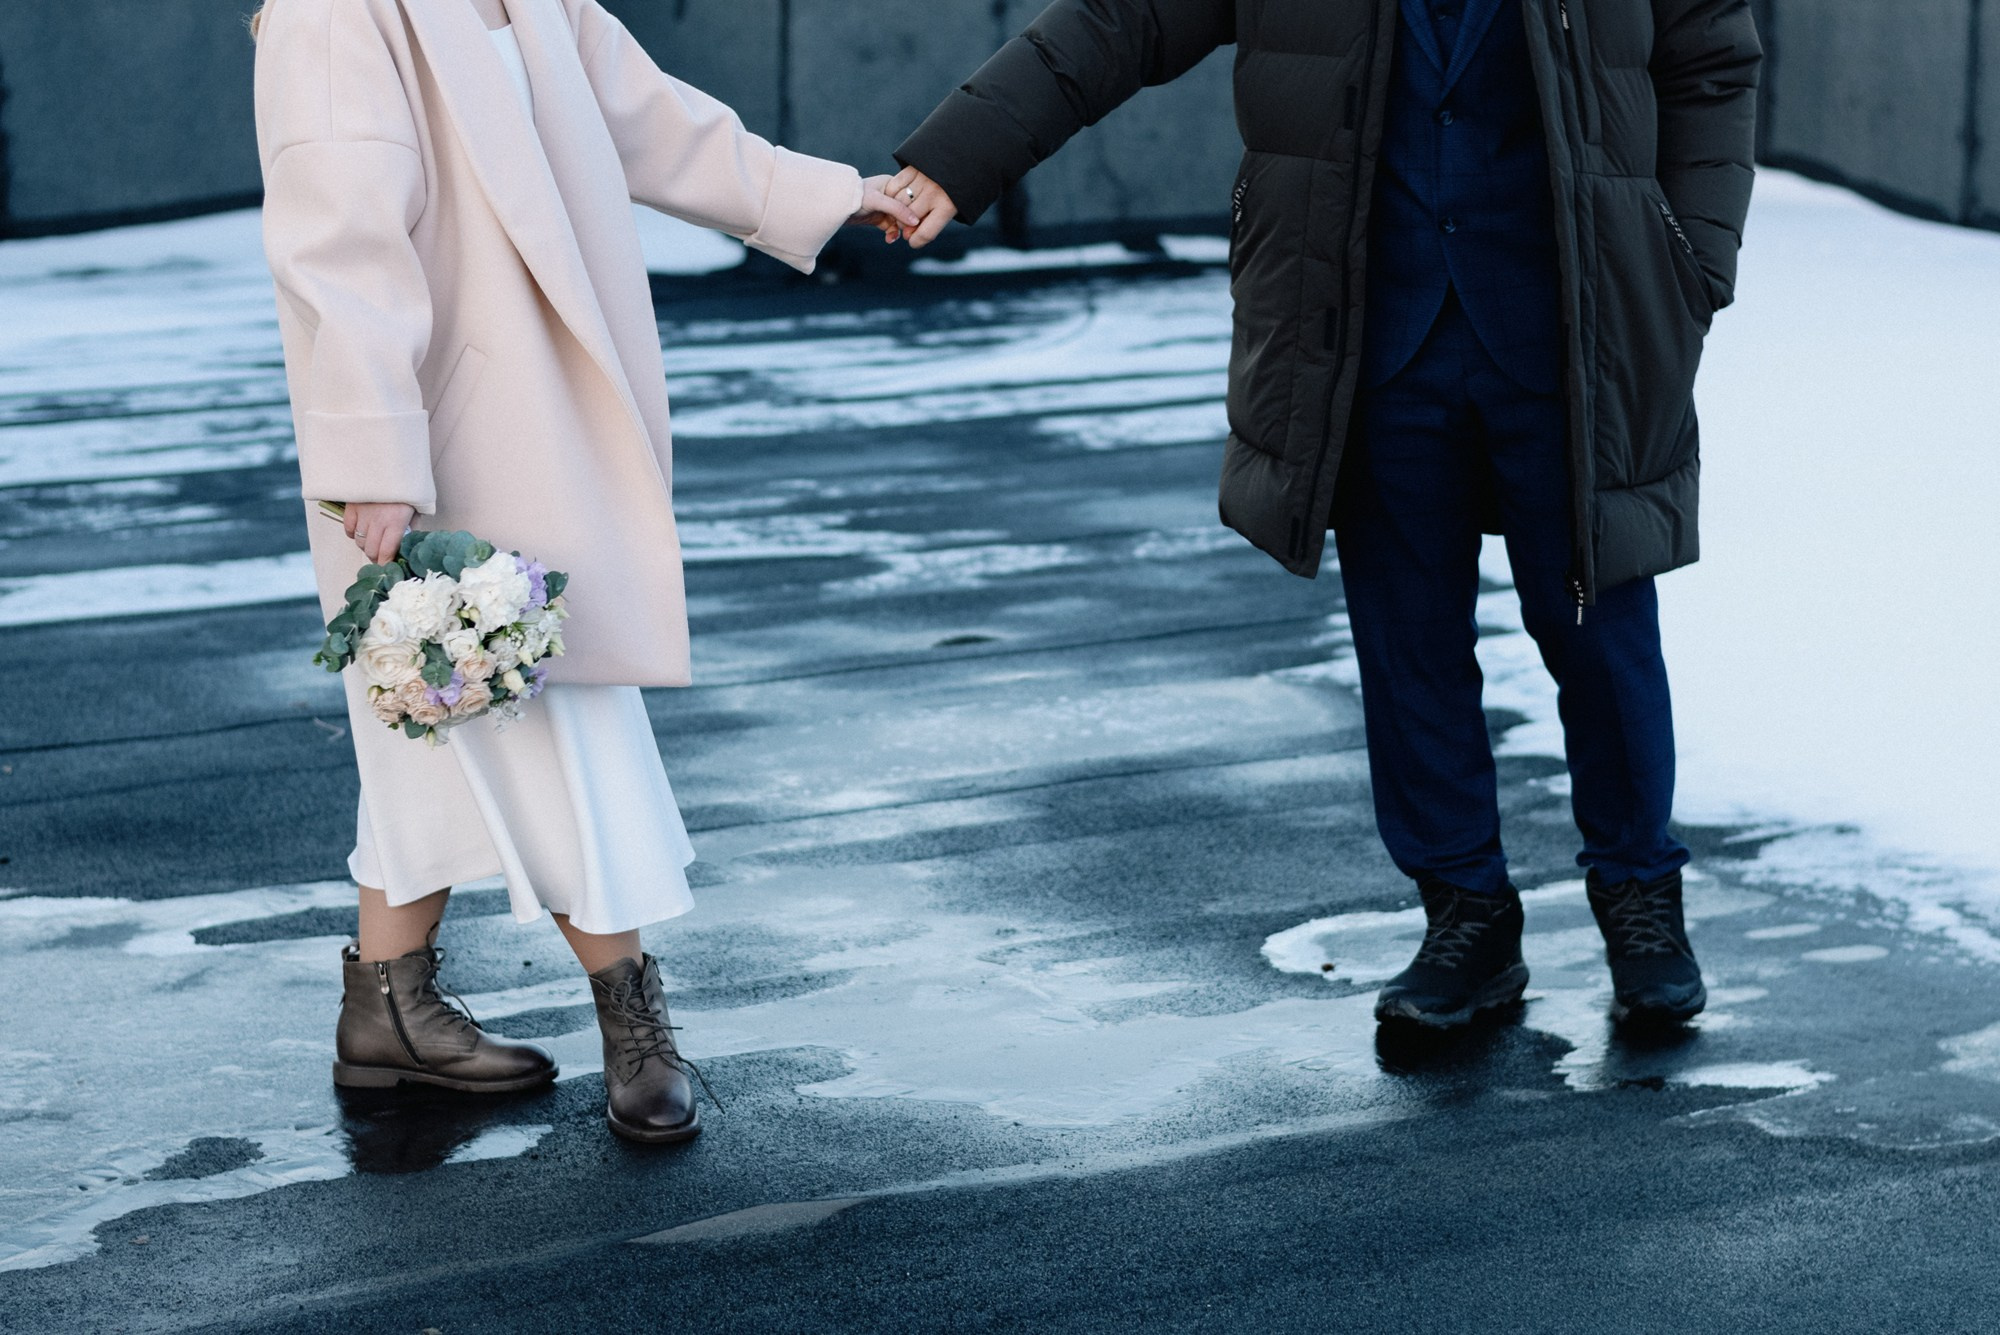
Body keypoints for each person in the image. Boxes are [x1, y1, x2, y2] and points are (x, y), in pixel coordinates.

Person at [888, 0, 1761, 1029]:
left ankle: (1638, 901)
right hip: (1368, 327)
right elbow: (1118, 21)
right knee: (1407, 641)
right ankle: (1465, 916)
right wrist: (957, 158)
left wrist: (1687, 263)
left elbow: (1708, 60)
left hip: (1572, 322)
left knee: (1599, 632)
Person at [250, 0, 917, 1141]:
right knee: (557, 719)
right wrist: (371, 449)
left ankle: (388, 1010)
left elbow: (649, 118)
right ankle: (630, 1016)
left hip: (523, 413)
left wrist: (824, 194)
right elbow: (339, 232)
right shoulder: (332, 9)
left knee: (433, 716)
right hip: (438, 437)